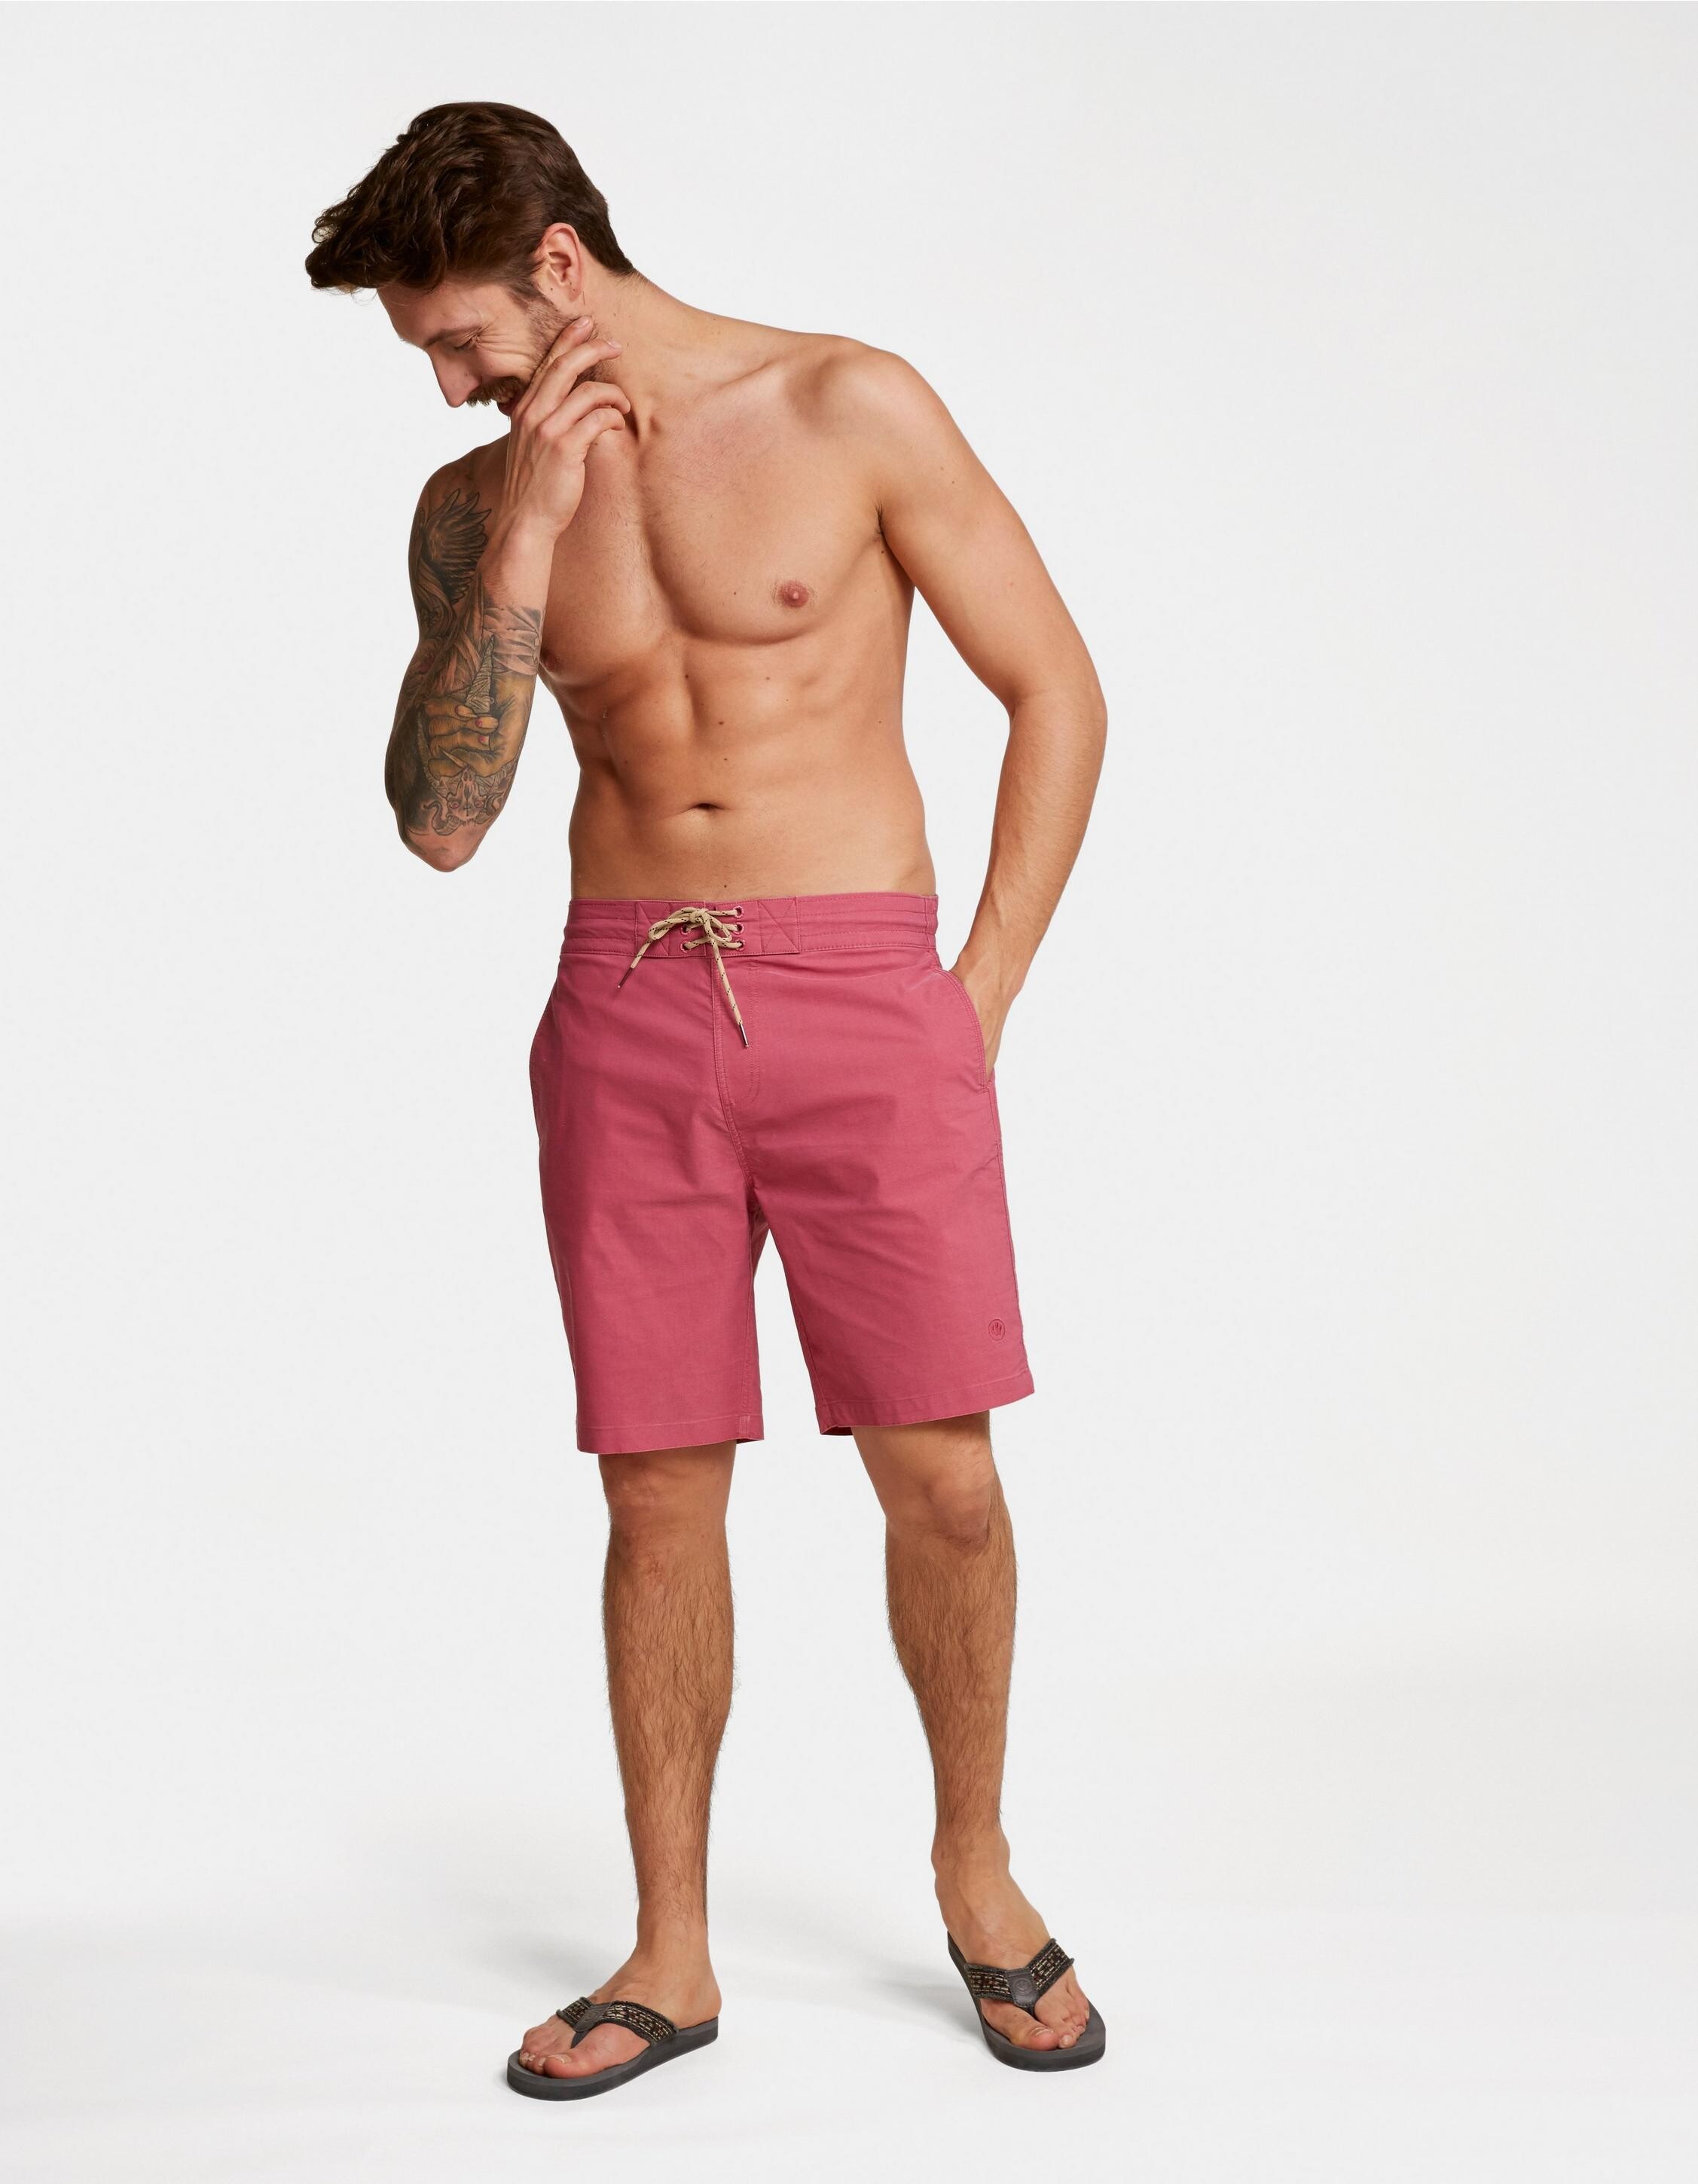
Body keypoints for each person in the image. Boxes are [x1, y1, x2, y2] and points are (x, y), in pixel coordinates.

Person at [307, 100, 1108, 2098]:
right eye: (426, 355)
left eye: (458, 336)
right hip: (625, 1004)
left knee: (940, 1473)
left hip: (863, 996)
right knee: (657, 1489)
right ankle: (671, 1949)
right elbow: (439, 826)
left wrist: (971, 1003)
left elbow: (1058, 688)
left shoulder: (847, 408)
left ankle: (979, 1874)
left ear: (560, 264)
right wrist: (525, 531)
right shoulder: (470, 505)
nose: (447, 381)